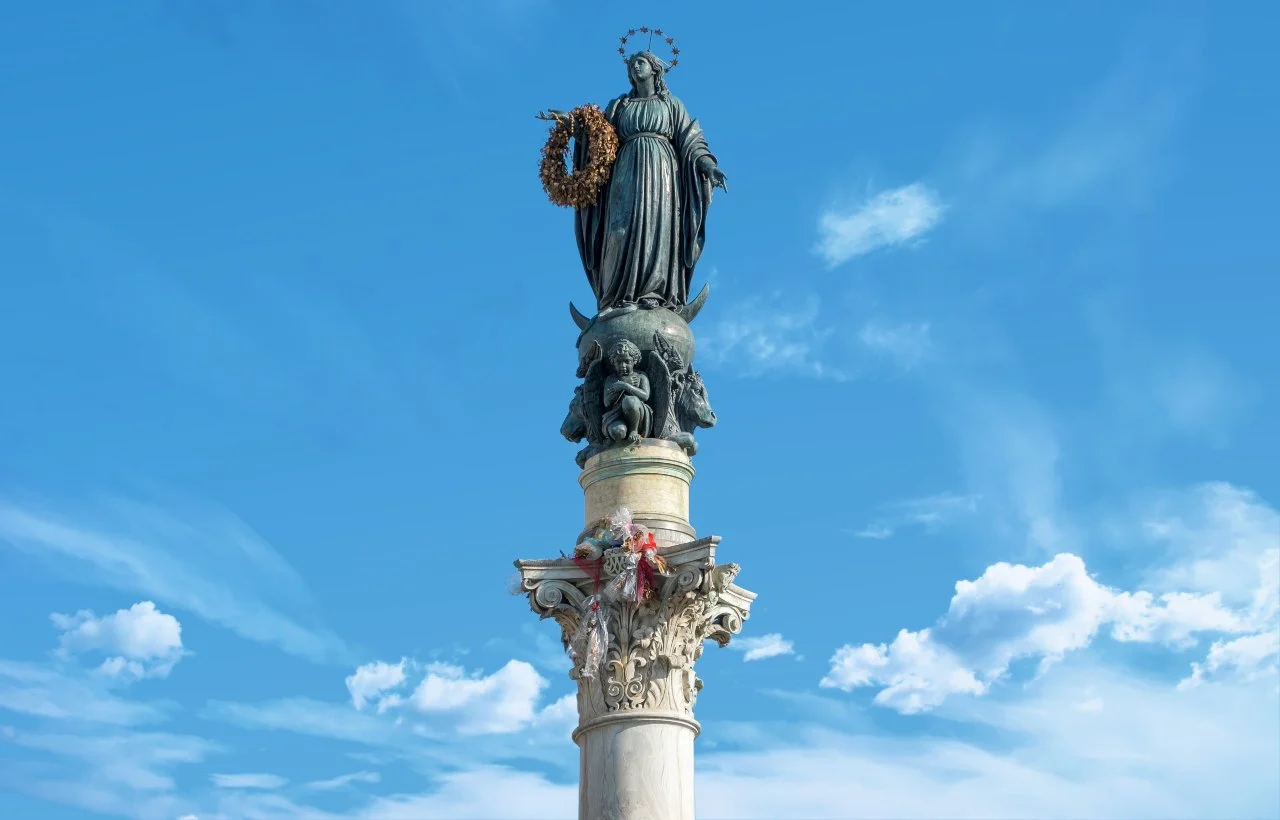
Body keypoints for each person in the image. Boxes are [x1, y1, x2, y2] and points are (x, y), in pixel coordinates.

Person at [559, 52, 728, 315]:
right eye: (631, 63)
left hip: (662, 173)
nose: (635, 66)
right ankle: (616, 295)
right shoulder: (620, 106)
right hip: (625, 171)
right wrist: (572, 125)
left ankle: (654, 293)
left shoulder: (671, 105)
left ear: (654, 69)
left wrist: (708, 167)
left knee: (657, 228)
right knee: (618, 229)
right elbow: (597, 138)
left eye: (641, 62)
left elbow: (691, 141)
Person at [601, 340, 651, 444]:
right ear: (613, 363)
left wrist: (625, 386)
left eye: (627, 361)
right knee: (618, 432)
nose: (623, 365)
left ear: (635, 361)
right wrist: (622, 384)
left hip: (637, 413)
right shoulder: (611, 379)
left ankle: (634, 430)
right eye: (618, 362)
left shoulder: (641, 376)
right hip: (616, 414)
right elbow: (607, 402)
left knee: (630, 401)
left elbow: (645, 396)